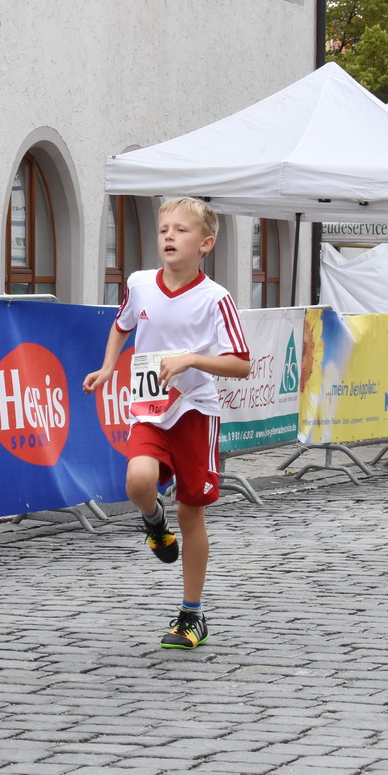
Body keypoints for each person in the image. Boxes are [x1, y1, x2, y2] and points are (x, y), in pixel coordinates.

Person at [81, 198, 251, 650]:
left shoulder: (216, 298)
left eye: (181, 230)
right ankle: (154, 524)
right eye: (163, 230)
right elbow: (122, 324)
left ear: (206, 244)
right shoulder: (139, 284)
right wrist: (106, 366)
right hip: (150, 406)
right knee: (138, 481)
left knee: (191, 512)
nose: (169, 237)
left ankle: (191, 614)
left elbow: (242, 364)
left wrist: (192, 359)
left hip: (196, 410)